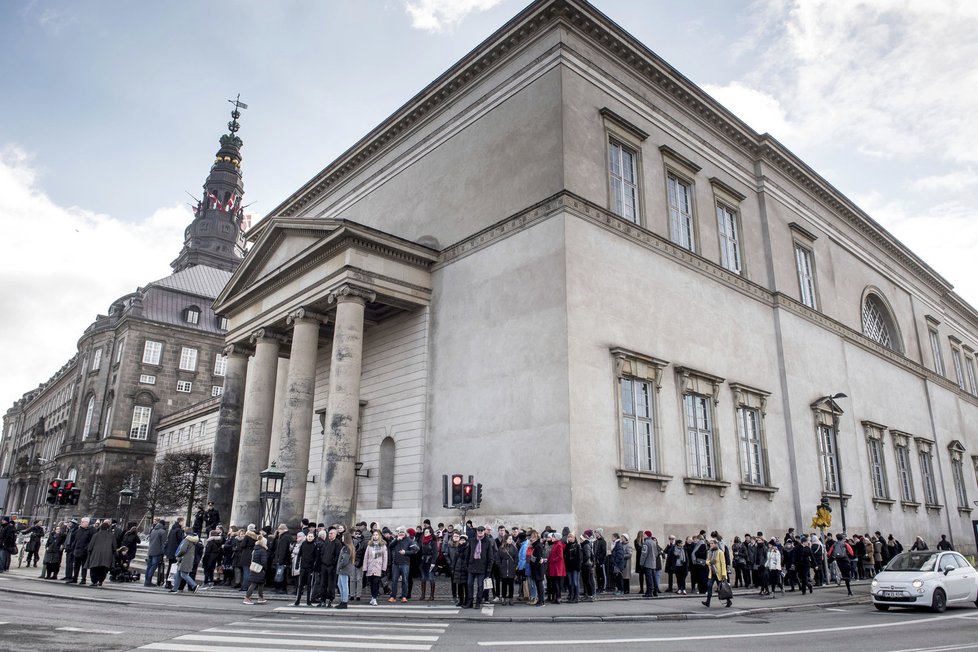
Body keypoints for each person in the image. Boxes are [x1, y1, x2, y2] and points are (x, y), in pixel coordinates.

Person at [465, 526, 495, 609]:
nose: (480, 532)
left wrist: (488, 569)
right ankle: (469, 602)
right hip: (472, 566)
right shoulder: (472, 541)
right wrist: (466, 565)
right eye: (478, 530)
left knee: (480, 586)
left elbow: (490, 557)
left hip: (482, 567)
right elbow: (468, 553)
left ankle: (478, 602)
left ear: (484, 531)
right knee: (469, 584)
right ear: (476, 531)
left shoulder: (487, 542)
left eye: (482, 530)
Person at [388, 526, 418, 603]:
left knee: (405, 580)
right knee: (394, 580)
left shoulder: (409, 540)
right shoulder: (396, 539)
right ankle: (393, 596)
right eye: (400, 532)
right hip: (396, 563)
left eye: (403, 532)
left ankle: (404, 596)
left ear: (405, 533)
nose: (401, 534)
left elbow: (415, 549)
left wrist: (406, 552)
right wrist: (396, 540)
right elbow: (390, 546)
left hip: (405, 563)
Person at [701, 538, 731, 608]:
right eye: (710, 543)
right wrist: (710, 562)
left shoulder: (720, 552)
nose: (710, 544)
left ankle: (729, 601)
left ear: (715, 544)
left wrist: (724, 574)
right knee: (709, 586)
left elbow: (723, 563)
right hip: (712, 573)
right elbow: (707, 561)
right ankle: (708, 602)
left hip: (719, 573)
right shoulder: (709, 552)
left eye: (712, 543)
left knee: (721, 588)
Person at [86, 520, 116, 587]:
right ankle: (100, 581)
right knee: (104, 569)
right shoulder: (111, 536)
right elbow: (114, 547)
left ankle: (94, 581)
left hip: (96, 554)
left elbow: (90, 546)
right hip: (107, 556)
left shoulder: (96, 535)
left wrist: (89, 552)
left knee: (94, 568)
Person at [364, 529, 389, 606]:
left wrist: (384, 568)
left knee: (376, 583)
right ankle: (372, 597)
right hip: (370, 566)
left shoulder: (382, 545)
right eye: (374, 535)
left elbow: (385, 558)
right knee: (371, 583)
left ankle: (374, 598)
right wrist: (365, 568)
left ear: (379, 536)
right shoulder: (369, 545)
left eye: (376, 535)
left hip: (378, 567)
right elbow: (366, 557)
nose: (375, 536)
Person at [292, 532, 318, 606]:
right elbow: (299, 554)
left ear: (313, 538)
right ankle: (298, 600)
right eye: (309, 536)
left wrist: (314, 567)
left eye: (311, 536)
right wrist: (297, 564)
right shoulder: (303, 544)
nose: (310, 538)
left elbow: (316, 557)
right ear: (306, 537)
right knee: (301, 584)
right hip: (303, 566)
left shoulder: (315, 545)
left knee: (309, 584)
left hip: (310, 568)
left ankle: (308, 600)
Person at [243, 536, 269, 605]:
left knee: (260, 583)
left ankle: (261, 597)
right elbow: (264, 561)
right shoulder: (263, 551)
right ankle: (247, 597)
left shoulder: (255, 549)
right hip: (260, 569)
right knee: (254, 583)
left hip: (254, 568)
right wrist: (265, 568)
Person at [335, 531, 356, 609]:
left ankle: (344, 601)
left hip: (344, 569)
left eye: (343, 537)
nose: (342, 538)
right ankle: (343, 600)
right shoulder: (348, 547)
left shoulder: (346, 547)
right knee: (340, 584)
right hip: (344, 569)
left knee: (344, 585)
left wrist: (339, 565)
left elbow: (345, 559)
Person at [70, 517, 94, 585]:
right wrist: (73, 546)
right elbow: (75, 539)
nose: (81, 523)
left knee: (84, 566)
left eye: (83, 522)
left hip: (84, 552)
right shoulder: (78, 530)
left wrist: (86, 548)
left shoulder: (90, 531)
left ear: (87, 523)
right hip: (77, 550)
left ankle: (83, 579)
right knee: (76, 566)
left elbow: (90, 541)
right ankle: (75, 578)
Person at [418, 526, 438, 601]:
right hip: (423, 561)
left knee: (431, 578)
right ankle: (423, 595)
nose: (425, 533)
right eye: (425, 532)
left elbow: (435, 553)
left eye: (427, 532)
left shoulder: (433, 541)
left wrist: (433, 563)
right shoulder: (422, 540)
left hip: (430, 560)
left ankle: (432, 596)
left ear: (430, 533)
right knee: (423, 578)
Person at [640, 530, 661, 598]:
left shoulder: (646, 543)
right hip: (653, 562)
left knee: (648, 578)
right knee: (653, 578)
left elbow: (644, 554)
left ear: (646, 535)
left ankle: (649, 592)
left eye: (644, 534)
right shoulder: (653, 542)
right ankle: (655, 591)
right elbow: (656, 553)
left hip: (647, 563)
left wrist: (641, 563)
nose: (643, 535)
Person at [562, 532, 580, 604]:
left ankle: (576, 597)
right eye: (569, 537)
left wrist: (578, 567)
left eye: (571, 537)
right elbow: (565, 556)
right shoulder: (567, 546)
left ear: (574, 538)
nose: (570, 538)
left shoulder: (577, 546)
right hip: (569, 567)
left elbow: (579, 557)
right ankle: (571, 596)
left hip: (575, 567)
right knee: (570, 582)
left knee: (575, 582)